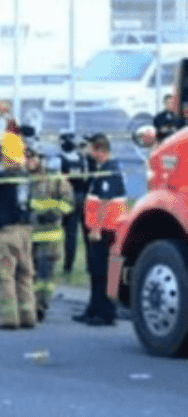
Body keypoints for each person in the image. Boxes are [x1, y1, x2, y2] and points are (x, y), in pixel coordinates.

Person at [0, 132, 37, 330]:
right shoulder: (26, 176)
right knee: (24, 275)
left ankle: (8, 318)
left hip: (6, 232)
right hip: (25, 231)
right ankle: (28, 315)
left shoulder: (2, 175)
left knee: (4, 276)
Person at [74, 134, 126, 326]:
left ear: (99, 150)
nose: (87, 151)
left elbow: (104, 201)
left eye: (90, 148)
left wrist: (96, 228)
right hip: (99, 229)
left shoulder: (109, 171)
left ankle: (105, 313)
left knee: (103, 272)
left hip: (105, 230)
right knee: (95, 271)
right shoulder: (101, 169)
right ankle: (93, 308)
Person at [27, 150, 73, 322]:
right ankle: (29, 305)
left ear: (40, 159)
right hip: (26, 235)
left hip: (48, 235)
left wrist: (52, 212)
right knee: (27, 274)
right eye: (25, 157)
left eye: (32, 157)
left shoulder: (55, 179)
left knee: (45, 275)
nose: (28, 161)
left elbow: (68, 203)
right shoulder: (21, 179)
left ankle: (41, 306)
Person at [58, 131, 90, 276]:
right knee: (85, 233)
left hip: (68, 198)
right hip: (82, 197)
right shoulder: (81, 159)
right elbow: (85, 178)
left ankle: (68, 267)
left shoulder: (60, 159)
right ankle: (90, 265)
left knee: (70, 234)